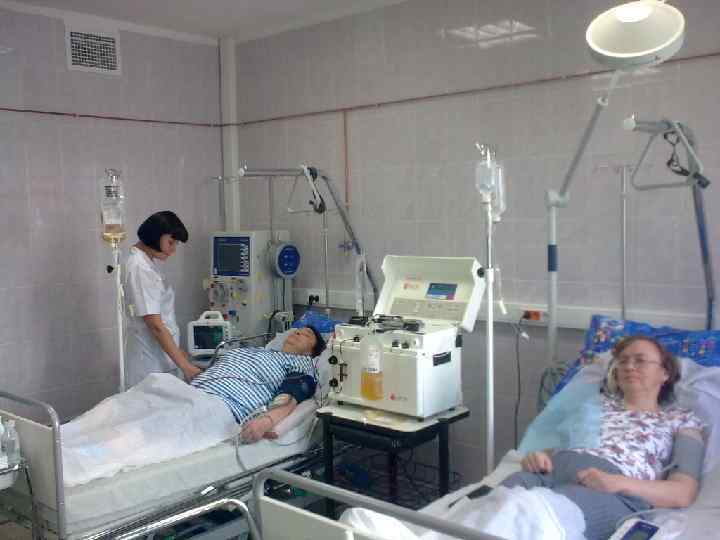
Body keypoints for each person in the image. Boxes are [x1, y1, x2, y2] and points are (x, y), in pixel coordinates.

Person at [499, 336, 706, 540]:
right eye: (623, 361)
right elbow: (556, 445)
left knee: (534, 517)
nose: (629, 366)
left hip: (609, 492)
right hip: (549, 473)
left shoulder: (681, 420)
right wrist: (537, 457)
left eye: (640, 360)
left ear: (665, 373)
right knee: (495, 504)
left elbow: (682, 492)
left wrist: (617, 483)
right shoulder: (593, 404)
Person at [192, 325, 326, 443]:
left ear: (311, 352)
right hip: (194, 391)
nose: (297, 332)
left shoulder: (301, 363)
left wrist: (265, 421)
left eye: (306, 334)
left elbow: (292, 393)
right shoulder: (259, 350)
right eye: (297, 330)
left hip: (223, 404)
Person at [125, 211, 200, 386]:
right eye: (170, 242)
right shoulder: (140, 267)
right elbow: (155, 325)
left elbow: (163, 319)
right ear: (154, 235)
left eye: (175, 244)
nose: (173, 250)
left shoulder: (146, 264)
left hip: (159, 357)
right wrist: (186, 366)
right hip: (149, 362)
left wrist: (179, 355)